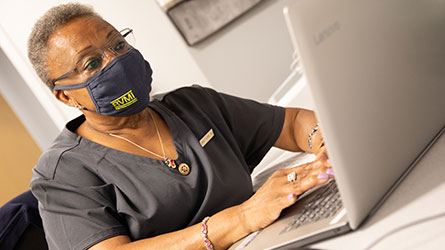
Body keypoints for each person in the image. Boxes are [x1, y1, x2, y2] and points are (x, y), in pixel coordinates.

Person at [28, 3, 332, 250]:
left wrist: (326, 147)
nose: (115, 61)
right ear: (65, 95)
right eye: (92, 63)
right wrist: (243, 218)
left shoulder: (194, 104)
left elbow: (292, 124)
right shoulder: (62, 174)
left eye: (118, 44)